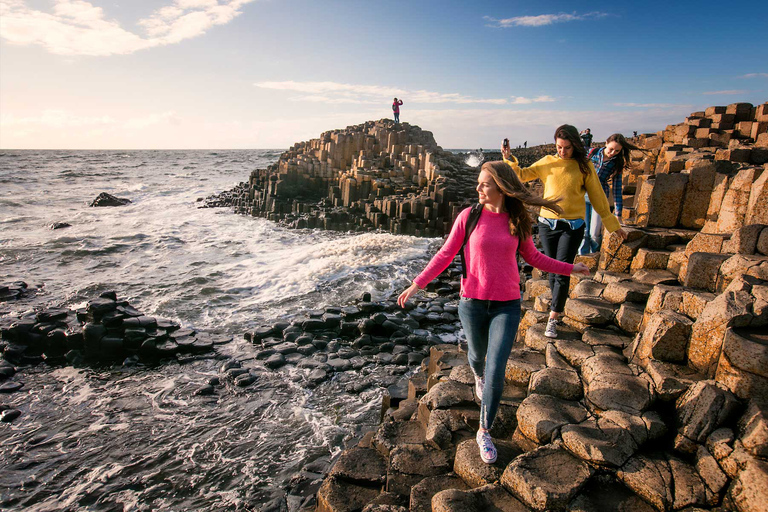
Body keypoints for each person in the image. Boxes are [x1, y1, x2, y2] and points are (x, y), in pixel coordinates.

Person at [398, 161, 590, 464]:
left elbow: (535, 257)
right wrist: (416, 285)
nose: (478, 189)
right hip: (472, 303)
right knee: (476, 356)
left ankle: (483, 430)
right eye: (478, 182)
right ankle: (477, 374)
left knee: (496, 367)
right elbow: (446, 253)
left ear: (500, 187)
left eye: (484, 184)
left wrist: (571, 268)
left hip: (507, 305)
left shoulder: (518, 219)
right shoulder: (469, 217)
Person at [501, 124, 627, 339]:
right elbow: (521, 175)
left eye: (567, 148)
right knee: (552, 269)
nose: (562, 152)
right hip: (547, 224)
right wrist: (509, 159)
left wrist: (613, 225)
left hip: (573, 226)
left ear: (575, 145)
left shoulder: (584, 166)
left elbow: (597, 197)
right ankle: (557, 305)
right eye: (559, 147)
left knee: (562, 271)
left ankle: (553, 317)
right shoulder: (548, 162)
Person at [580, 133, 643, 254]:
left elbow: (617, 189)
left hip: (600, 197)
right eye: (611, 149)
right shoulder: (591, 153)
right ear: (606, 143)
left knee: (594, 233)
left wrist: (618, 215)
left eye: (617, 151)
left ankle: (594, 258)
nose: (613, 152)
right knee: (583, 232)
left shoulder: (616, 163)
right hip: (582, 195)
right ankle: (581, 259)